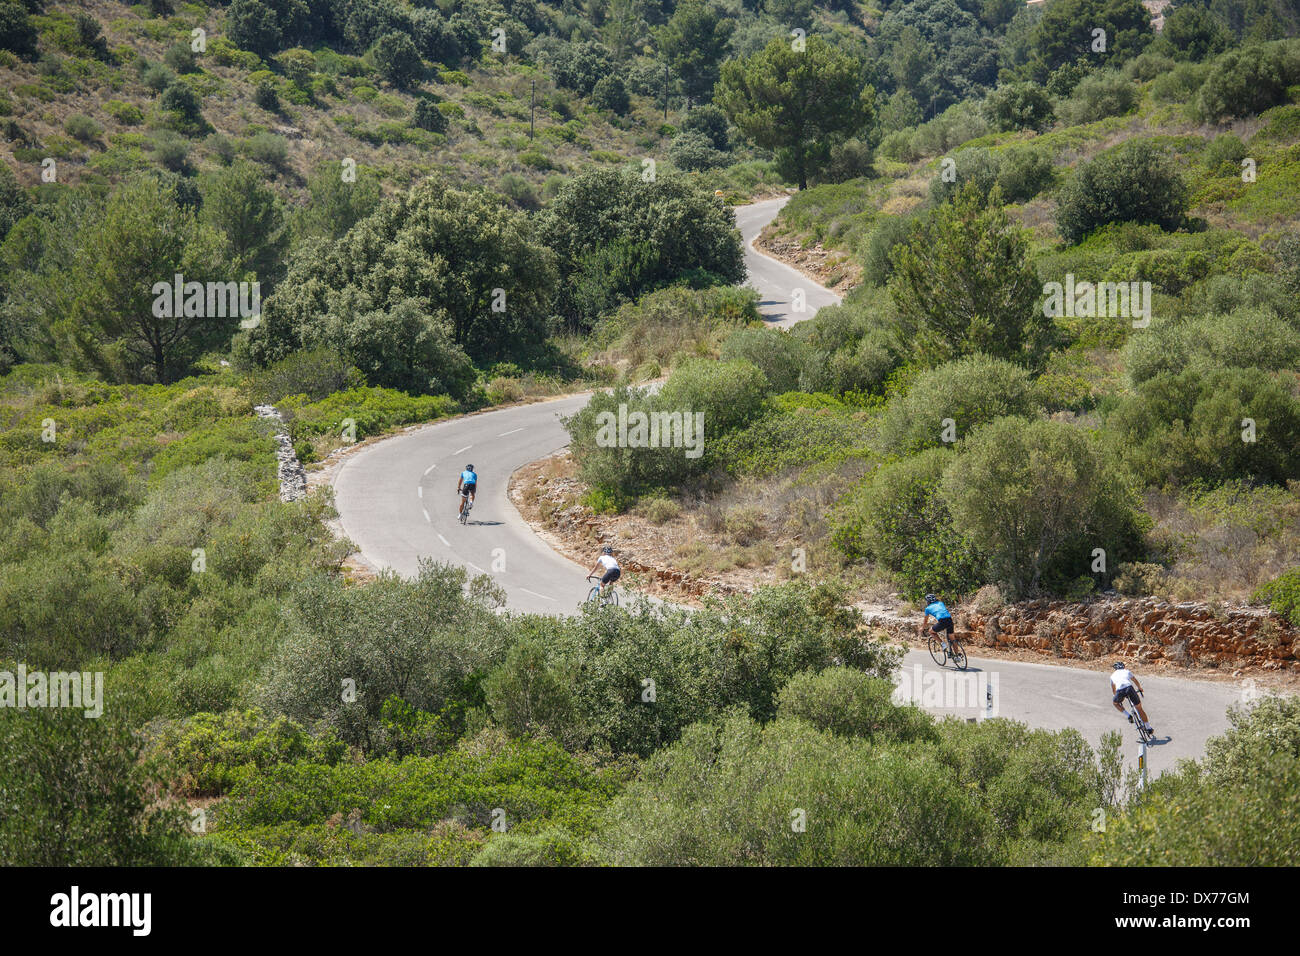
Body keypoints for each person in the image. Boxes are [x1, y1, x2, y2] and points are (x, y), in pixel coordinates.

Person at [1110, 662, 1154, 735]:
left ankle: (1128, 715)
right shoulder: (1126, 671)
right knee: (1139, 708)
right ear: (1123, 667)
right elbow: (1134, 680)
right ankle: (1148, 728)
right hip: (1129, 688)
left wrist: (1118, 698)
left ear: (1115, 668)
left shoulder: (1112, 676)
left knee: (1115, 703)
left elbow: (1113, 689)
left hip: (1119, 691)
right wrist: (1140, 688)